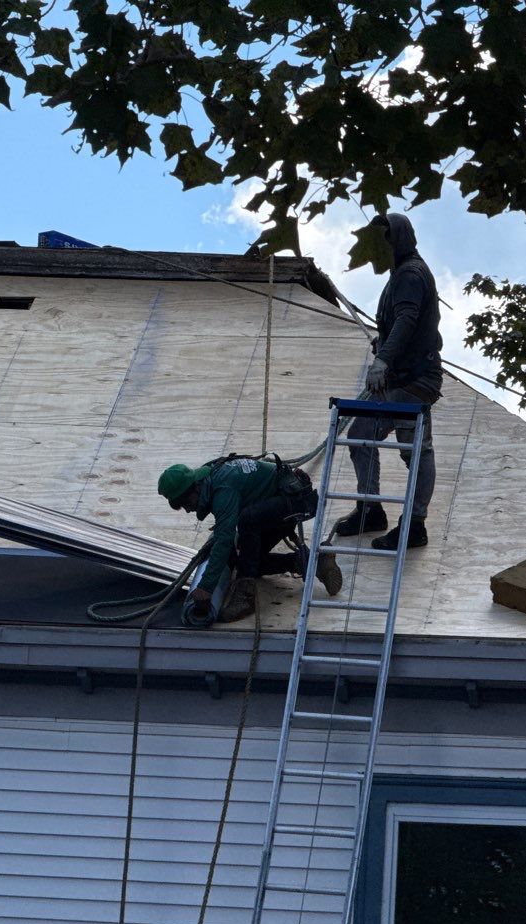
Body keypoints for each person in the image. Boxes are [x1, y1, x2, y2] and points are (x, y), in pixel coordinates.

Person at [333, 212, 441, 550]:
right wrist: (384, 346)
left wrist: (383, 359)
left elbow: (408, 320)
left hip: (414, 380)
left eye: (380, 245)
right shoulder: (399, 274)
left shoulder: (410, 274)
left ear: (395, 241)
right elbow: (399, 324)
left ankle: (415, 525)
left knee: (416, 451)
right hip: (397, 379)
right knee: (361, 434)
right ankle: (370, 510)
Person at [158, 455, 342, 624]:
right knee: (248, 561)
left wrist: (206, 587)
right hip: (277, 499)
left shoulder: (223, 489)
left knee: (247, 520)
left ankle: (245, 596)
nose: (188, 510)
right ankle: (313, 562)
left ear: (195, 488)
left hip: (295, 501)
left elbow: (224, 540)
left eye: (186, 503)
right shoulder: (209, 475)